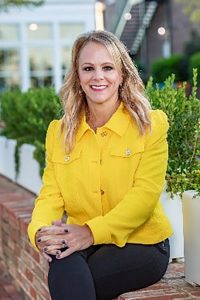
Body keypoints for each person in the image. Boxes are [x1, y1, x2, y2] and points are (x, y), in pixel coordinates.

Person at [28, 30, 173, 300]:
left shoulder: (150, 126)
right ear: (78, 76)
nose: (98, 76)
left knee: (76, 278)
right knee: (62, 257)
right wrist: (40, 233)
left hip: (141, 243)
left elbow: (144, 197)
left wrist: (90, 233)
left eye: (107, 67)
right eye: (88, 68)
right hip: (81, 240)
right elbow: (51, 195)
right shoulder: (59, 132)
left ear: (122, 75)